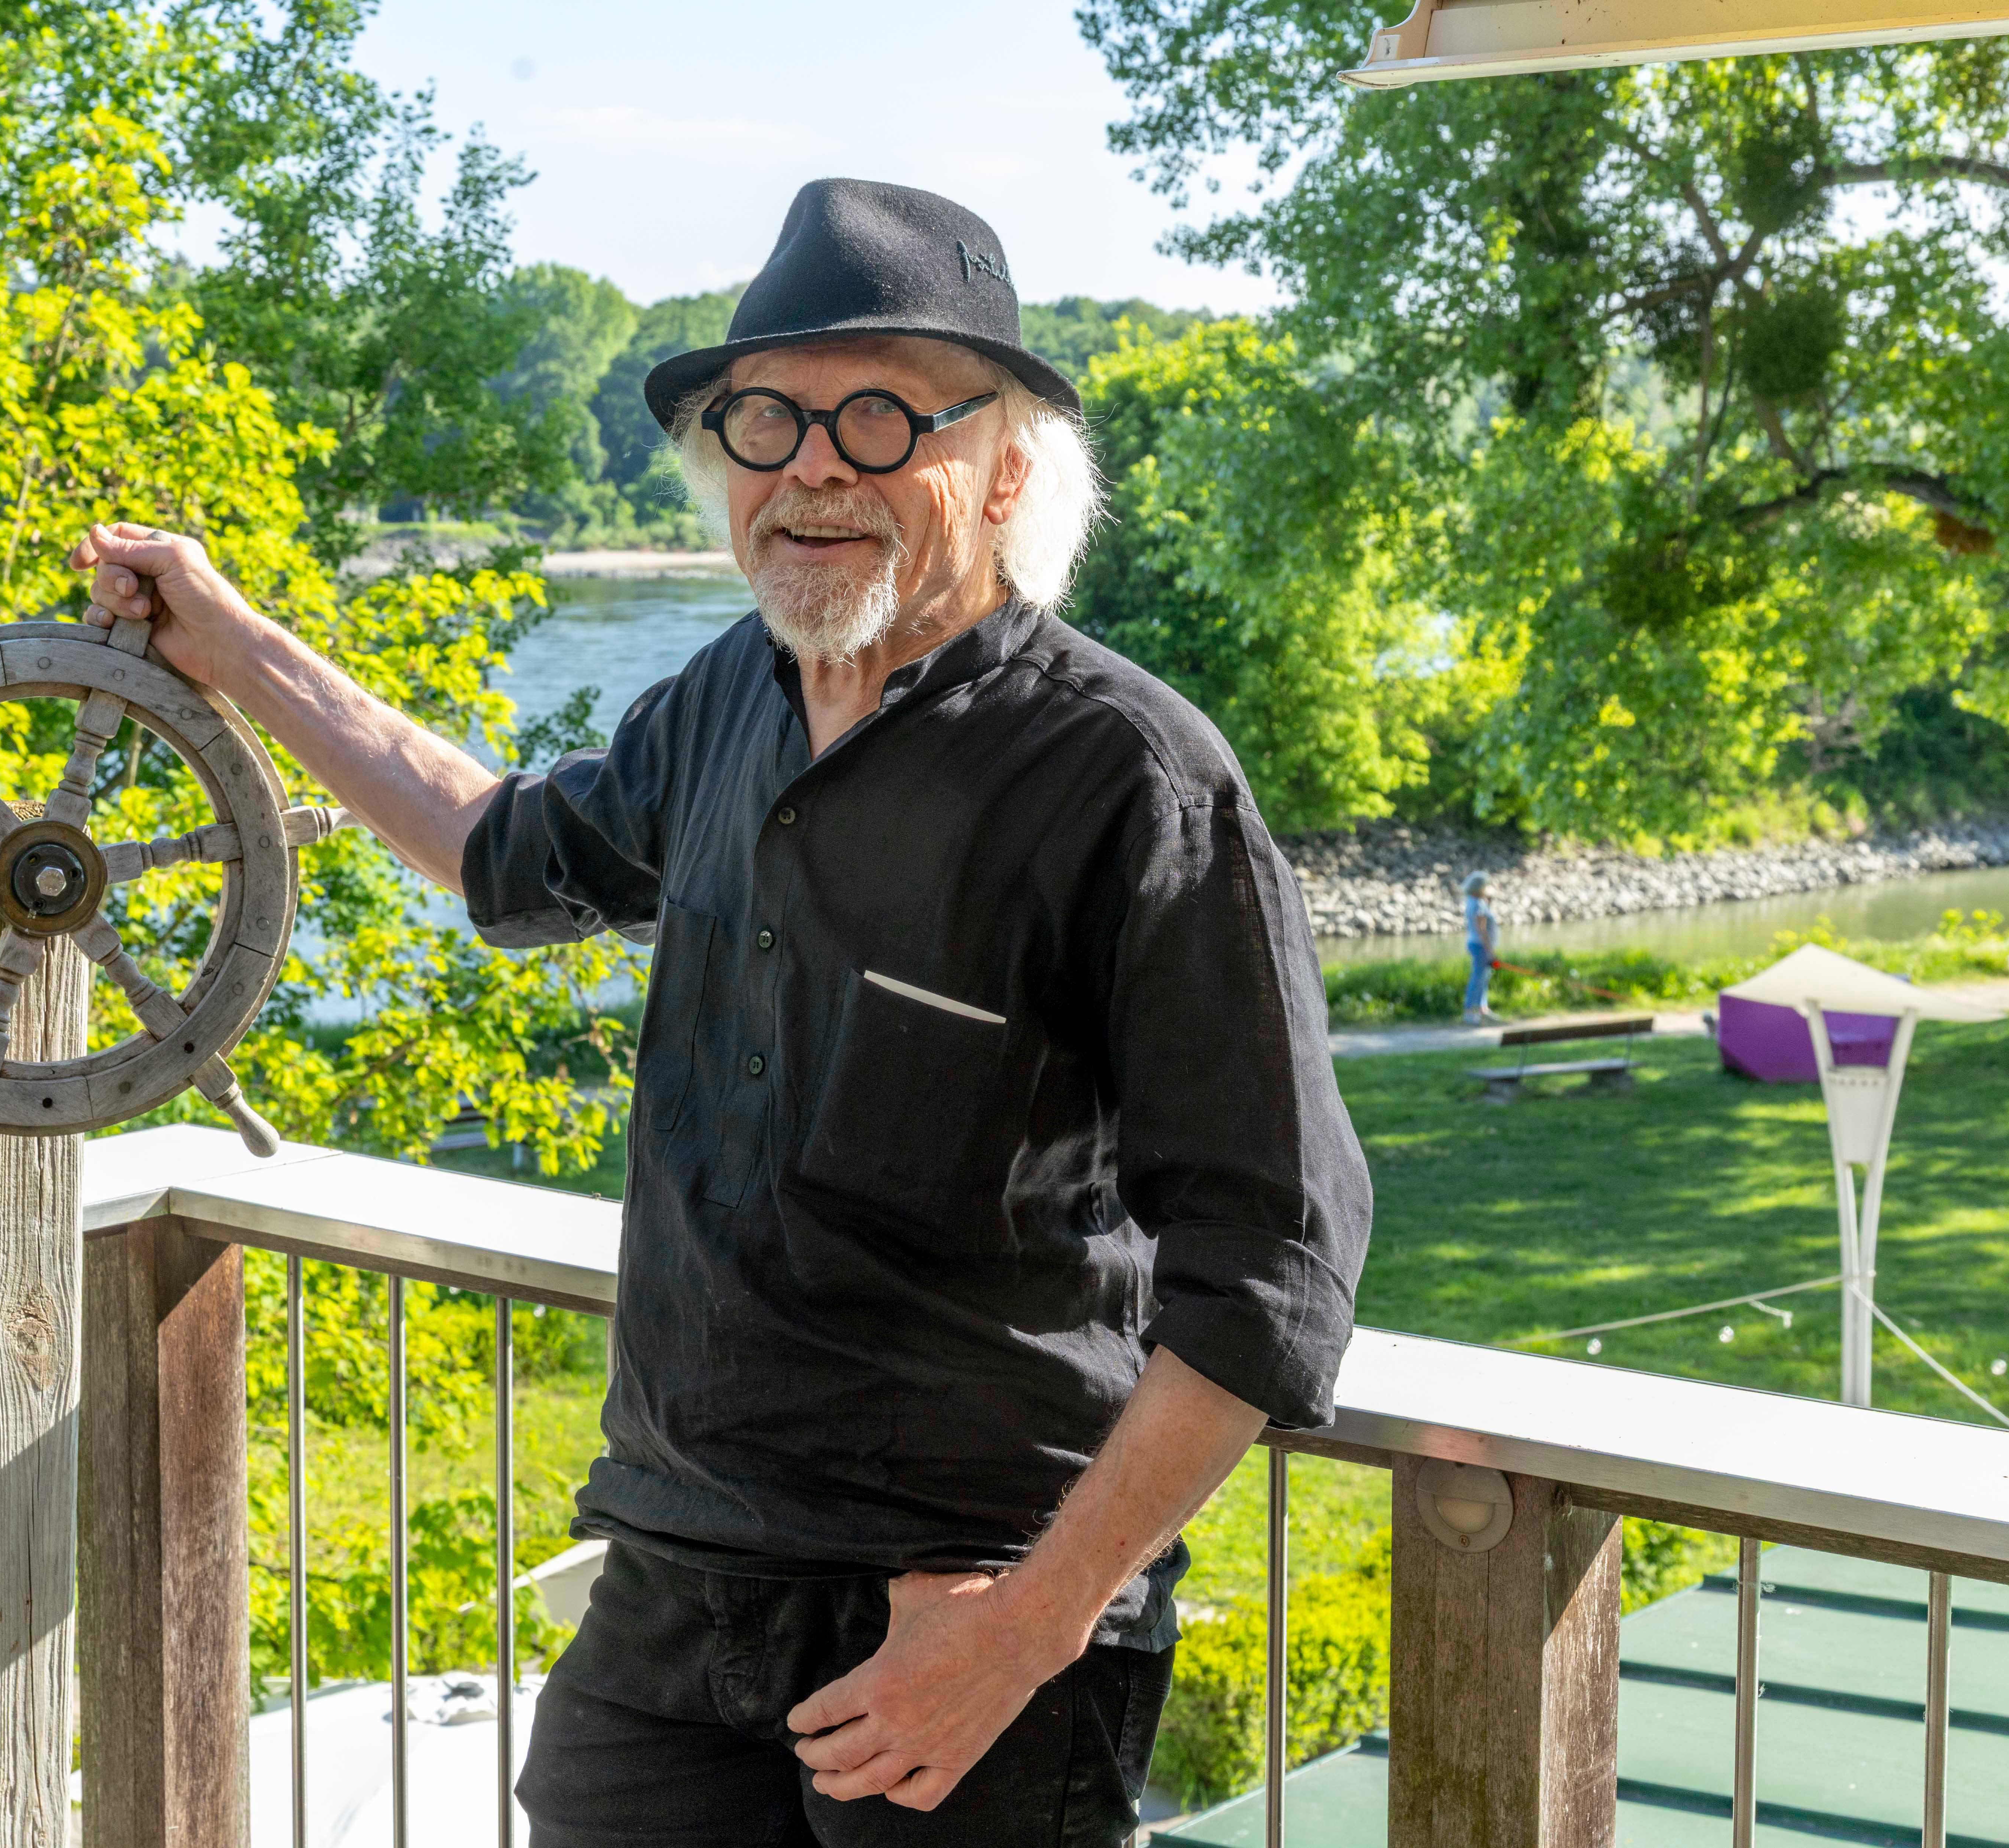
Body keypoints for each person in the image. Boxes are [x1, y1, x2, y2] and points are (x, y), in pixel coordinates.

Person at [68, 176, 1370, 1847]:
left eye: (885, 415)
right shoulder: (720, 706)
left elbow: (1273, 1265)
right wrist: (229, 643)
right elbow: (495, 843)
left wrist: (1025, 1632)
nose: (814, 465)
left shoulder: (1129, 777)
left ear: (1008, 468)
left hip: (956, 1616)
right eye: (768, 419)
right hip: (674, 1595)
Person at [1463, 871, 1500, 1024]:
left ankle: (1482, 1009)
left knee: (1484, 978)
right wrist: (1490, 952)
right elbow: (1482, 930)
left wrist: (1489, 903)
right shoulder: (1478, 904)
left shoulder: (1474, 901)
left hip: (1476, 945)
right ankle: (1471, 1011)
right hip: (1480, 946)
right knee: (1478, 979)